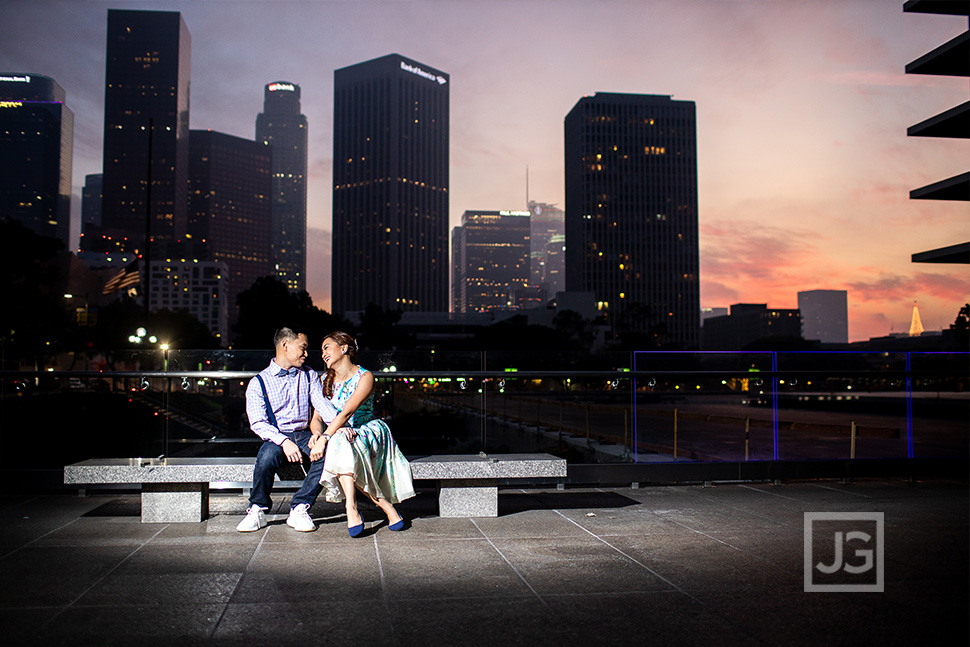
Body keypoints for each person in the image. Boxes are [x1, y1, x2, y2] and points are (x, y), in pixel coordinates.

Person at [309, 331, 415, 537]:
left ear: (344, 348)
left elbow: (348, 411)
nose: (323, 354)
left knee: (340, 441)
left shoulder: (365, 376)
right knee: (342, 442)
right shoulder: (324, 380)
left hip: (367, 430)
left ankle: (352, 507)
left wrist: (325, 438)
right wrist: (315, 434)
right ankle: (381, 507)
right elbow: (317, 418)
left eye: (326, 347)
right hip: (339, 434)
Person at [236, 327, 339, 533]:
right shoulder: (259, 382)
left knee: (329, 455)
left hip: (305, 434)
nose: (306, 353)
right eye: (303, 348)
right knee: (265, 460)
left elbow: (322, 405)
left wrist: (341, 426)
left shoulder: (309, 374)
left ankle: (300, 507)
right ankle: (257, 509)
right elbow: (257, 422)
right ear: (285, 345)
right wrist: (283, 441)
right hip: (276, 436)